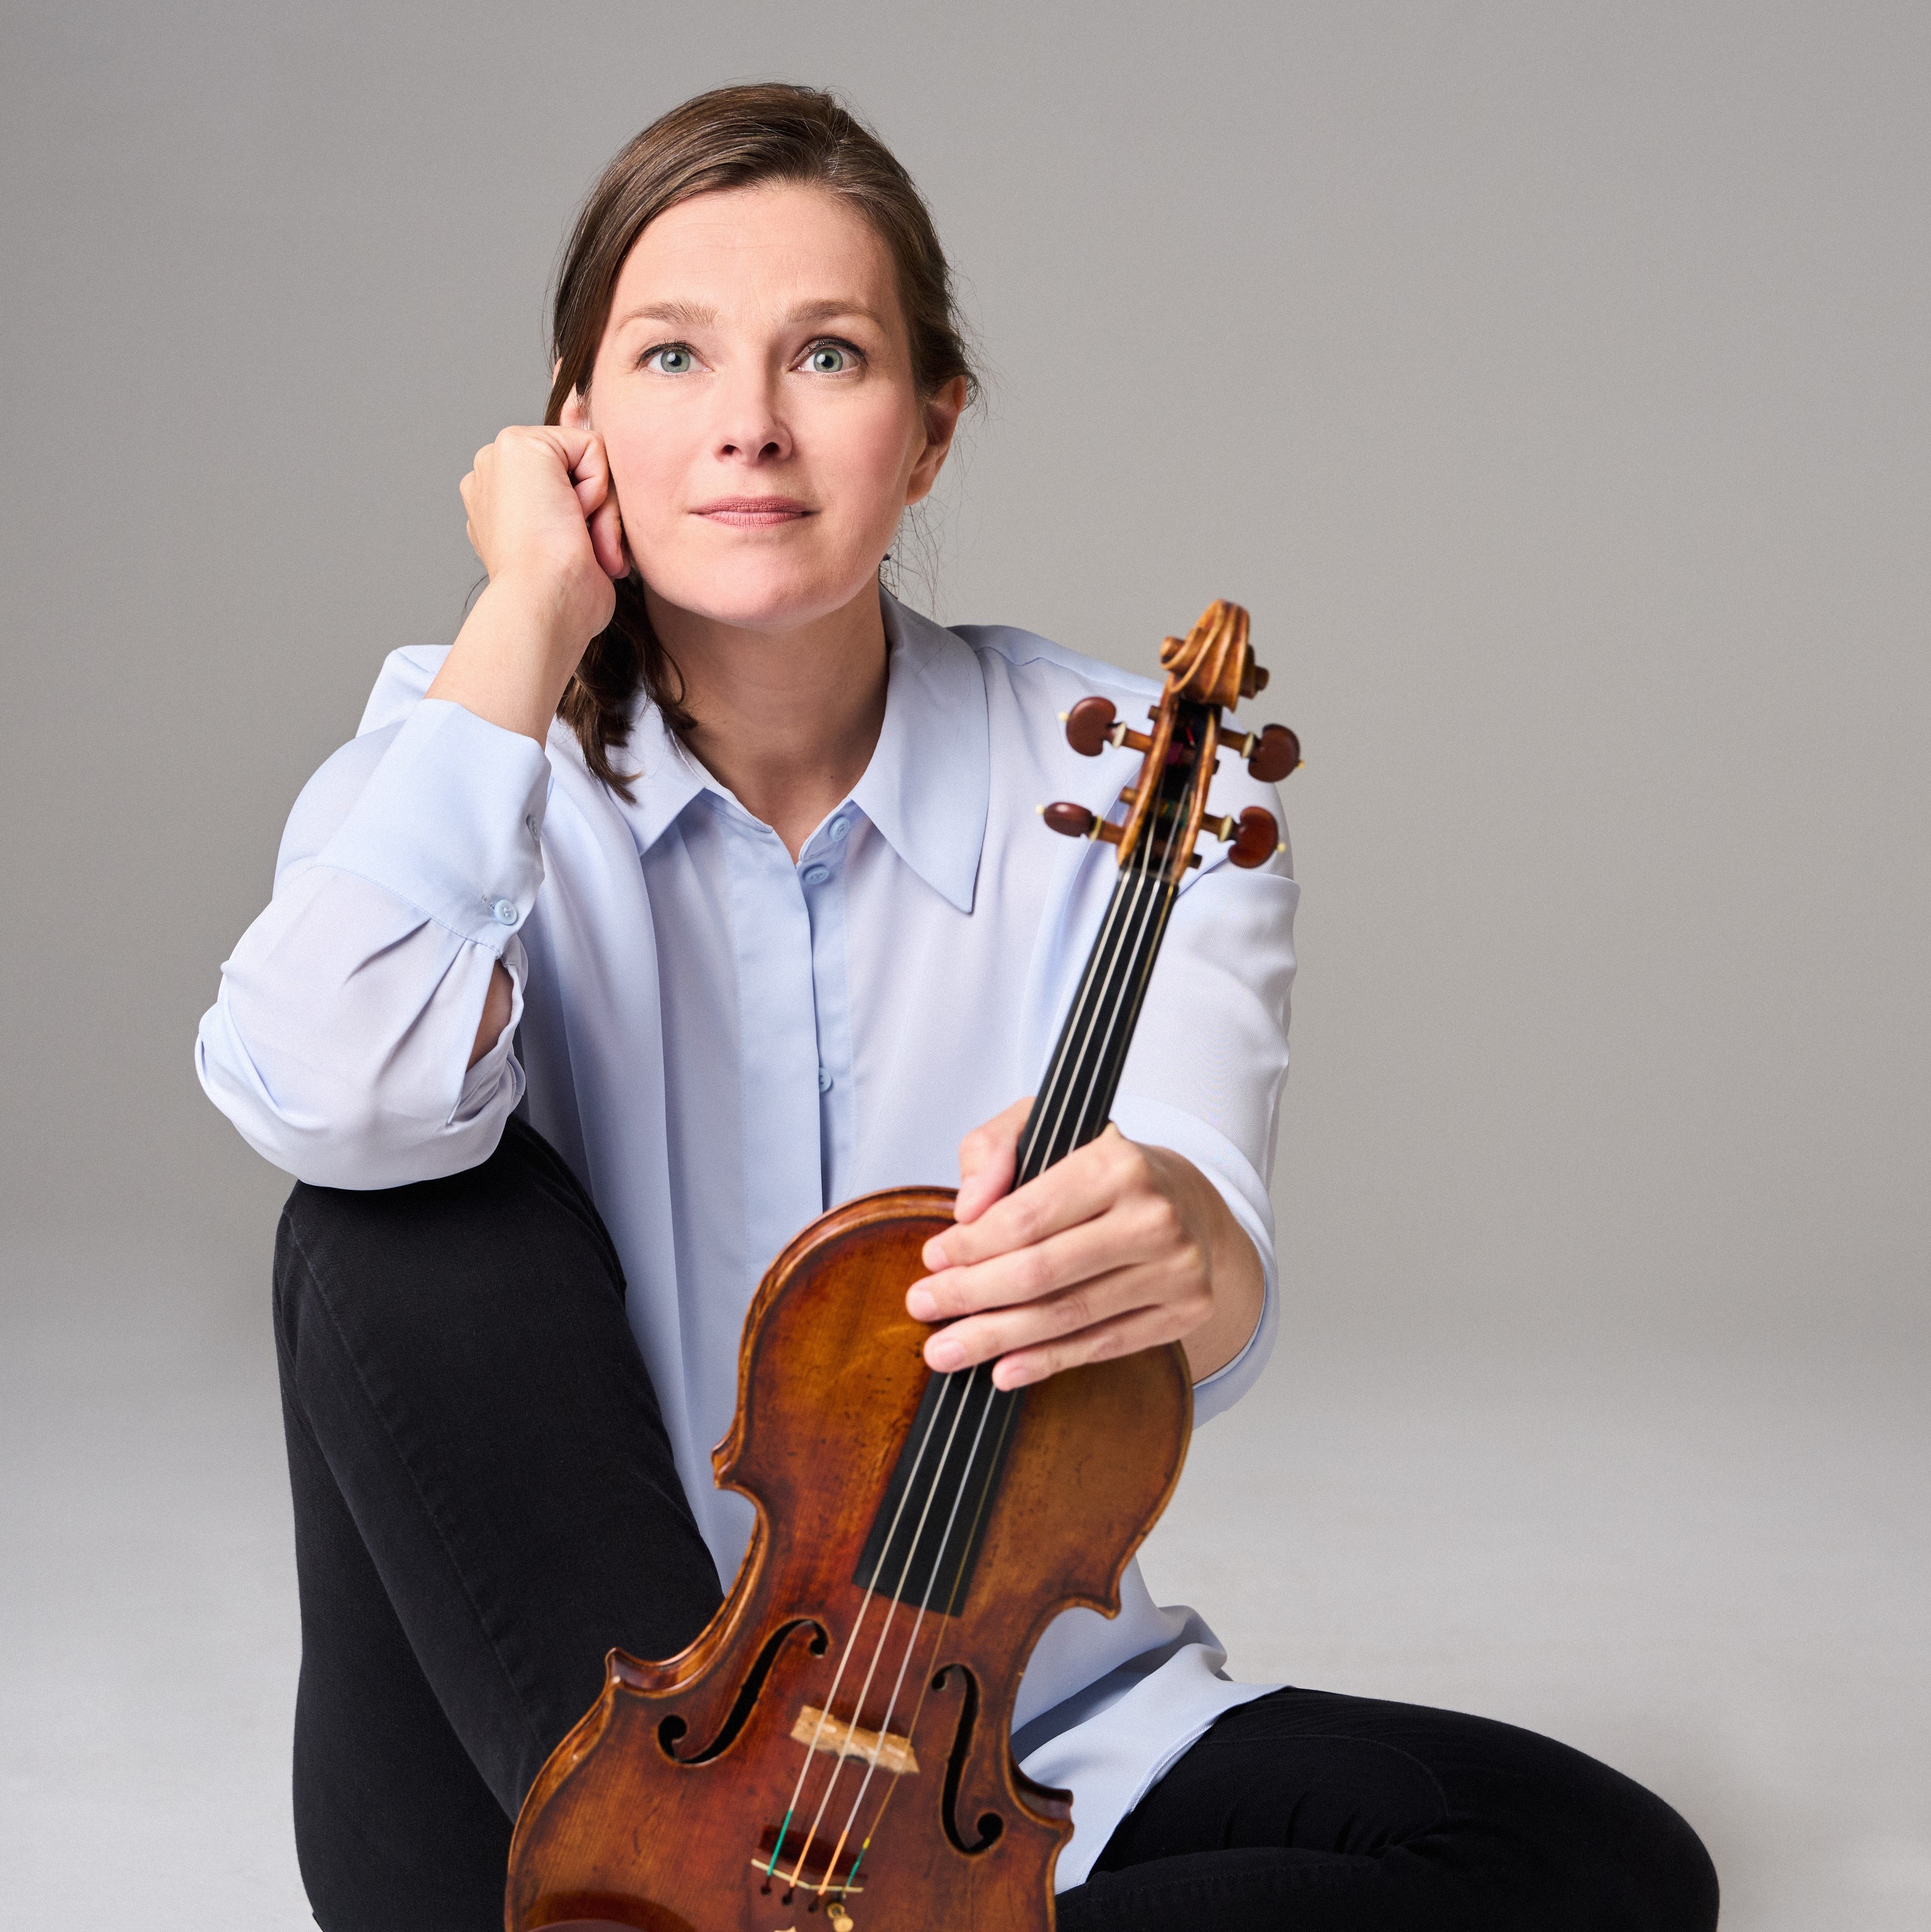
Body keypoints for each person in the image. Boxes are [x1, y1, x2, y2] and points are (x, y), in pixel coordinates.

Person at [196, 82, 1718, 1932]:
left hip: (978, 1740)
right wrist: (527, 609)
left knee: (1600, 1861)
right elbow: (323, 1091)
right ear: (574, 427)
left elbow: (1203, 1293)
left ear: (929, 432)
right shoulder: (462, 736)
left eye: (827, 355)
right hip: (558, 1774)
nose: (751, 425)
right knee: (403, 1204)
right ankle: (693, 1894)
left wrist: (1171, 1242)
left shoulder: (1166, 793)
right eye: (673, 358)